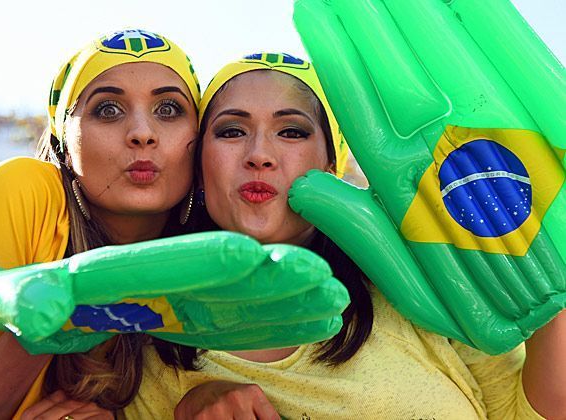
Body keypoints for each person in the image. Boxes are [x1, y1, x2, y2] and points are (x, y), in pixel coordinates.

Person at [123, 54, 565, 419]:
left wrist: (550, 284)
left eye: (292, 131)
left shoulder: (414, 283)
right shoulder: (143, 344)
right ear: (200, 168)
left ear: (330, 168)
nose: (259, 155)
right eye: (232, 131)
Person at [0, 28, 201, 418]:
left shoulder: (216, 253)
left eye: (168, 109)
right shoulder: (23, 192)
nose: (142, 134)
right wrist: (44, 334)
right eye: (108, 109)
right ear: (64, 141)